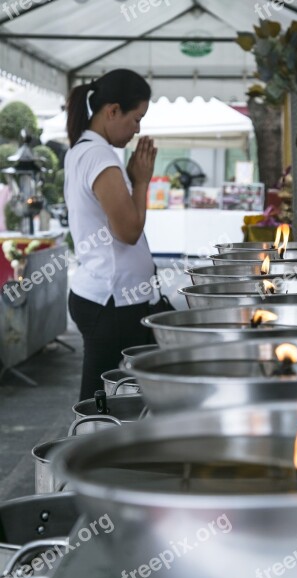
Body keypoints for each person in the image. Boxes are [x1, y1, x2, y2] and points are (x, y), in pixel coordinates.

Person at [64, 69, 157, 401]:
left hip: (115, 297)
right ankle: (84, 448)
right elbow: (129, 231)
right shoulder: (98, 156)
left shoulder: (86, 151)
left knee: (122, 390)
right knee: (96, 399)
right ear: (112, 110)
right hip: (111, 300)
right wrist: (142, 180)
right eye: (136, 118)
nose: (138, 129)